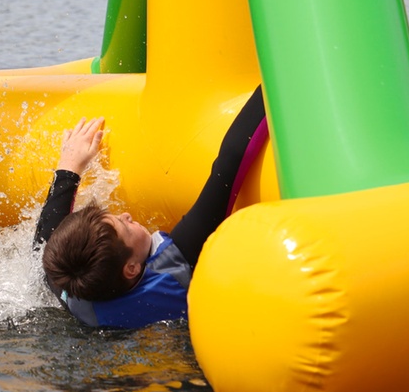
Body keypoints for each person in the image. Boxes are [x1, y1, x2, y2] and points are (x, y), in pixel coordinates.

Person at [34, 86, 268, 328]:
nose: (126, 215)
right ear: (132, 269)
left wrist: (69, 164)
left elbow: (44, 242)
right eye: (125, 226)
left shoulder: (72, 289)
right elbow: (229, 165)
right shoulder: (178, 262)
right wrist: (276, 76)